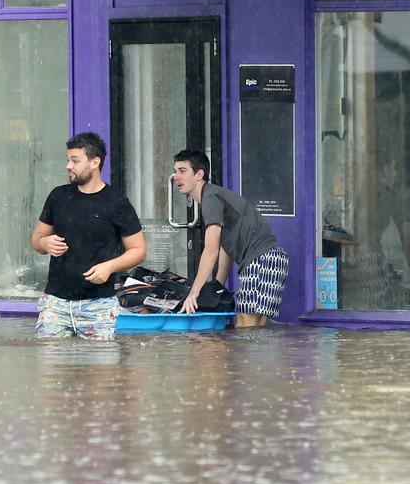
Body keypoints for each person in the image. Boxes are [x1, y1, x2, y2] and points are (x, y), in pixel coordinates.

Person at [30, 132, 146, 340]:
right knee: (50, 371)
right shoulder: (58, 196)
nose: (68, 166)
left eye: (75, 160)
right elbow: (36, 239)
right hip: (55, 304)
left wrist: (109, 266)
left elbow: (138, 251)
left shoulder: (117, 202)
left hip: (99, 306)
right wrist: (44, 242)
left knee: (100, 372)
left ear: (95, 162)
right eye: (68, 160)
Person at [172, 149, 288, 328]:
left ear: (199, 174)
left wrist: (193, 293)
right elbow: (225, 245)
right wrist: (218, 285)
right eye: (175, 171)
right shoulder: (215, 196)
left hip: (261, 260)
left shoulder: (210, 198)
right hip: (272, 260)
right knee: (255, 331)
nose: (176, 177)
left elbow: (210, 251)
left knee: (245, 326)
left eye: (182, 171)